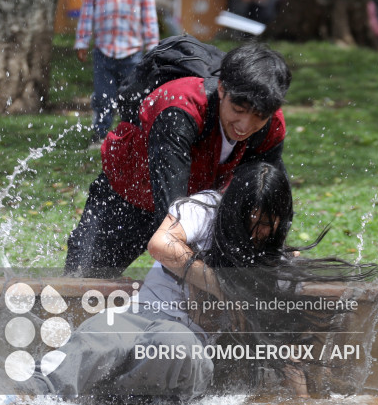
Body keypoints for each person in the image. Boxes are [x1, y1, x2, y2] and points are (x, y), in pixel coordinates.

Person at [0, 163, 378, 405]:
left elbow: (284, 341)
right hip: (140, 314)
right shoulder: (204, 209)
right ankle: (14, 400)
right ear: (230, 206)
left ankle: (102, 401)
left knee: (174, 344)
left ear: (279, 222)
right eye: (246, 220)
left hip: (188, 345)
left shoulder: (278, 267)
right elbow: (159, 243)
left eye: (265, 225)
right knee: (100, 337)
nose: (254, 233)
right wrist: (218, 283)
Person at [64, 41, 291, 279]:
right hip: (127, 198)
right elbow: (170, 219)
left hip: (195, 206)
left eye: (259, 116)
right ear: (222, 89)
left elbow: (270, 202)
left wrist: (273, 256)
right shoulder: (179, 109)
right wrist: (210, 282)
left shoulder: (271, 123)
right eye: (238, 109)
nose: (245, 126)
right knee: (84, 283)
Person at [75, 0, 159, 146]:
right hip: (103, 52)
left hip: (132, 54)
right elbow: (87, 14)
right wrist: (82, 42)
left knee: (132, 97)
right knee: (103, 97)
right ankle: (100, 133)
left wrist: (154, 48)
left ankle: (130, 135)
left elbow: (149, 19)